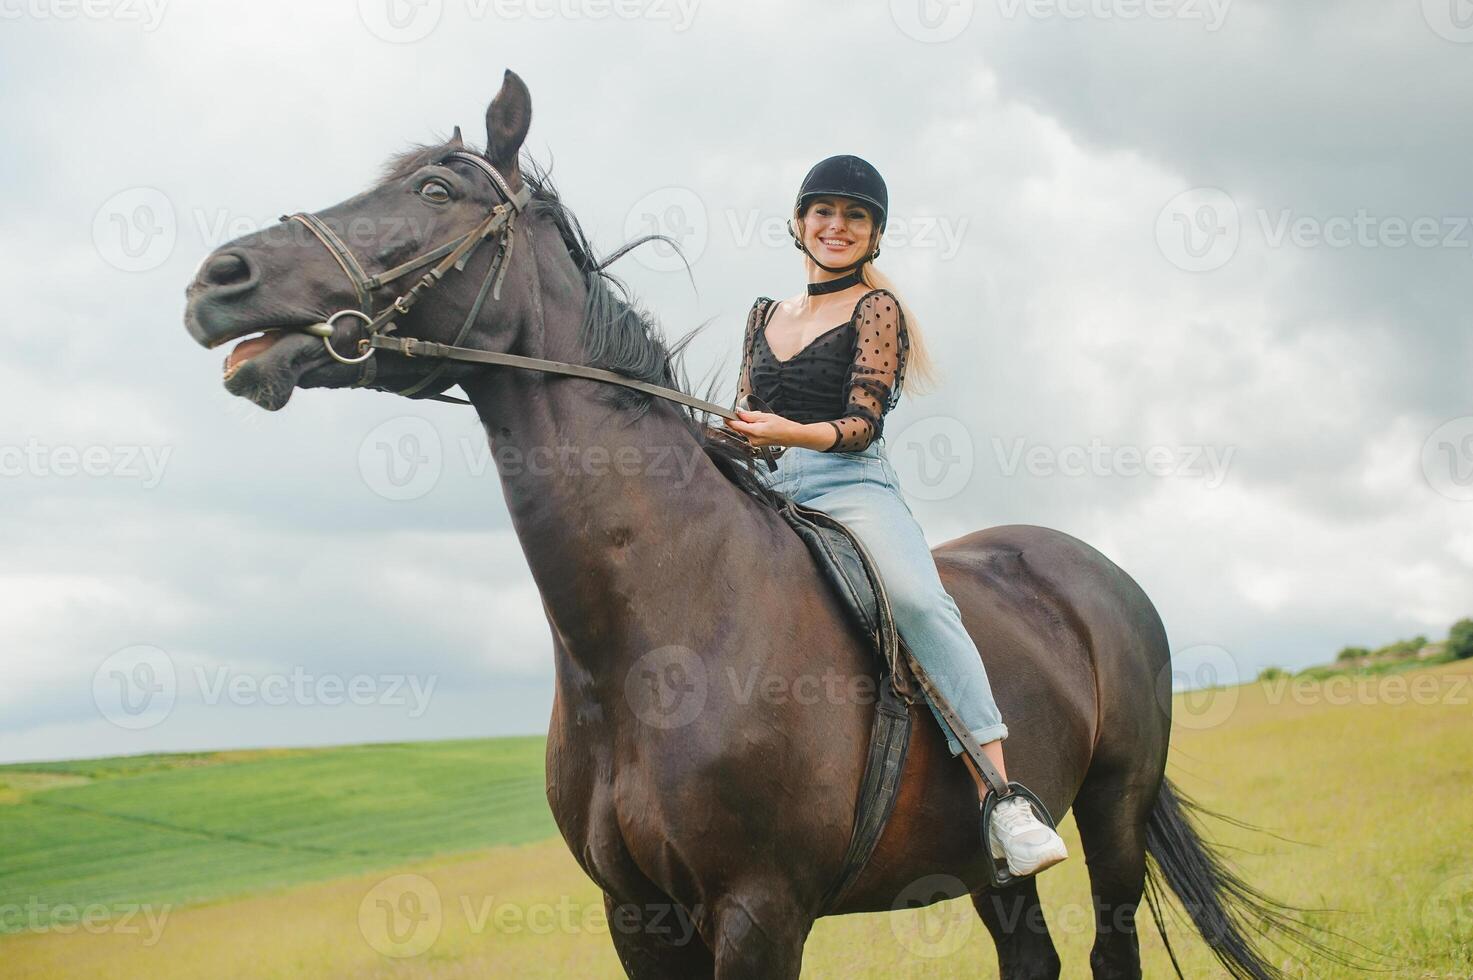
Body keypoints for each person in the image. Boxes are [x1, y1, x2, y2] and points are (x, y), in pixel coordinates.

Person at [724, 154, 1068, 878]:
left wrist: (783, 433)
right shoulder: (763, 314)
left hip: (845, 482)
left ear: (874, 235)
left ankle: (1002, 798)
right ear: (798, 223)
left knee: (916, 599)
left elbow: (861, 425)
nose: (836, 226)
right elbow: (747, 414)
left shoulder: (875, 309)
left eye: (855, 216)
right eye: (823, 212)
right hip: (769, 484)